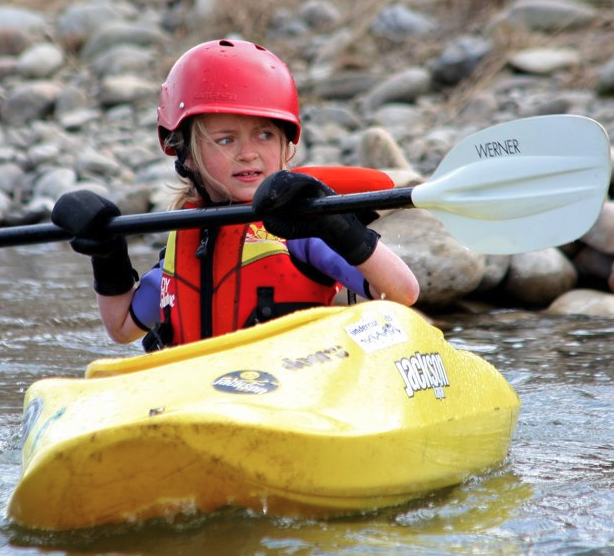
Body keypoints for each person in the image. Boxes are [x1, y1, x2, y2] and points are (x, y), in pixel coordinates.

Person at [52, 38, 419, 351]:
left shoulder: (300, 232)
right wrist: (107, 253)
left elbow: (401, 293)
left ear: (285, 145)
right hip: (201, 397)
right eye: (226, 139)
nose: (248, 153)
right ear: (186, 154)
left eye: (264, 135)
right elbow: (121, 328)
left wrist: (335, 225)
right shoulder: (183, 246)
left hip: (292, 395)